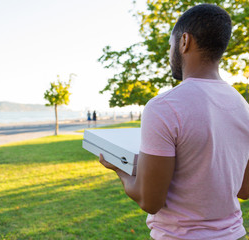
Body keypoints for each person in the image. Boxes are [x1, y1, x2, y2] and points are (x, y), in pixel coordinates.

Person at [99, 4, 249, 240]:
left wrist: (120, 169)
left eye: (171, 45)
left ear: (184, 42)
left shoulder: (164, 107)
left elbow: (150, 201)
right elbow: (245, 189)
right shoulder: (243, 107)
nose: (170, 53)